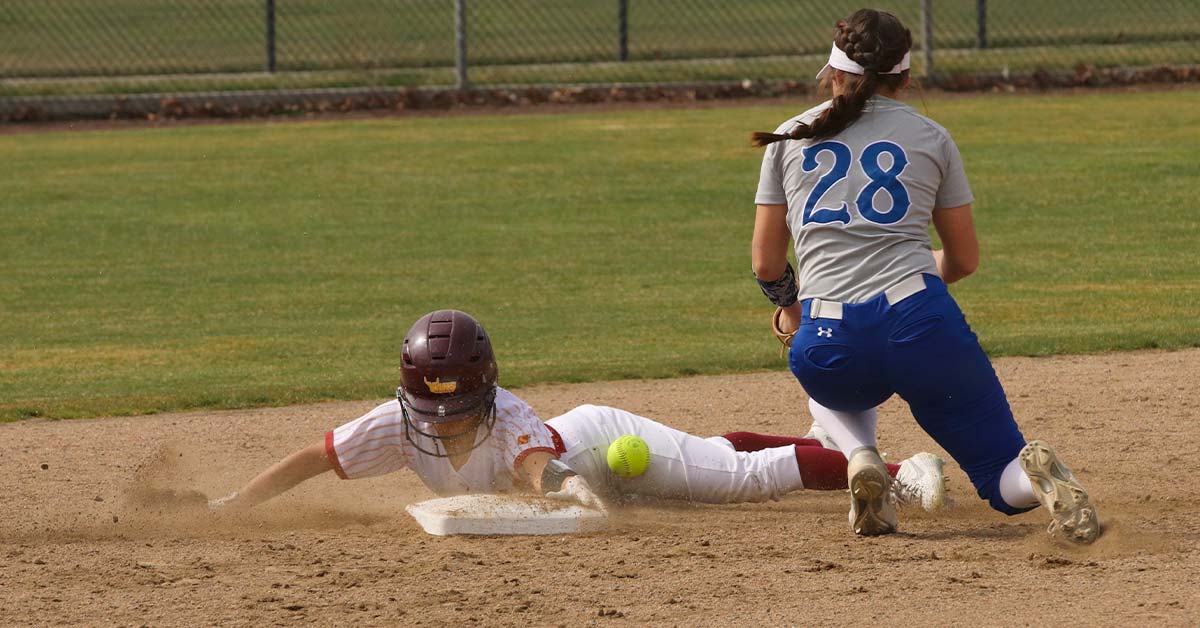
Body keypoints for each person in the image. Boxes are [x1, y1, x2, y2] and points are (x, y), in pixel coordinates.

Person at [750, 9, 1098, 543]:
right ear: (906, 78)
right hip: (921, 318)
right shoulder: (932, 137)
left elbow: (766, 265)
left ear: (833, 73)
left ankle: (862, 457)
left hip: (828, 334)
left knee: (831, 381)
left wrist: (790, 307)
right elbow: (962, 261)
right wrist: (917, 274)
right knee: (1000, 479)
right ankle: (1034, 477)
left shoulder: (792, 136)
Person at [209, 309, 948, 514]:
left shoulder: (512, 417)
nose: (446, 420)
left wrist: (563, 493)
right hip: (590, 464)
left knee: (741, 478)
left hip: (598, 445)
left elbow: (535, 470)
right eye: (433, 407)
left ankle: (894, 474)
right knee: (714, 452)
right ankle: (827, 440)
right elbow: (315, 458)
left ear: (486, 388)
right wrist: (234, 504)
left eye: (459, 404)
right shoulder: (393, 423)